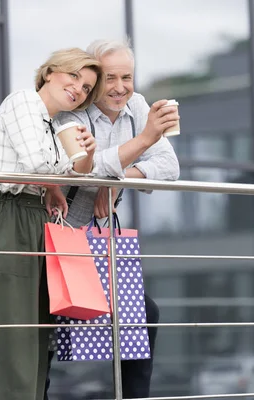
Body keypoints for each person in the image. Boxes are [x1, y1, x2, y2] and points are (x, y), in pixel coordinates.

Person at [0, 47, 104, 400]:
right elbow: (37, 163)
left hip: (32, 218)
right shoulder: (23, 101)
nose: (78, 90)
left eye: (85, 88)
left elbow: (68, 174)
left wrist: (84, 161)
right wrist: (61, 173)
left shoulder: (53, 125)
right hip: (6, 215)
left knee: (29, 331)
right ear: (51, 72)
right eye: (74, 77)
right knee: (6, 326)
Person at [45, 38, 180, 399]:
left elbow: (169, 167)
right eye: (110, 78)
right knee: (47, 322)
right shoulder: (74, 110)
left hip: (98, 240)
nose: (120, 88)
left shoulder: (137, 105)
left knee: (142, 315)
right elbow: (79, 168)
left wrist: (114, 180)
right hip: (59, 236)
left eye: (127, 77)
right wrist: (144, 141)